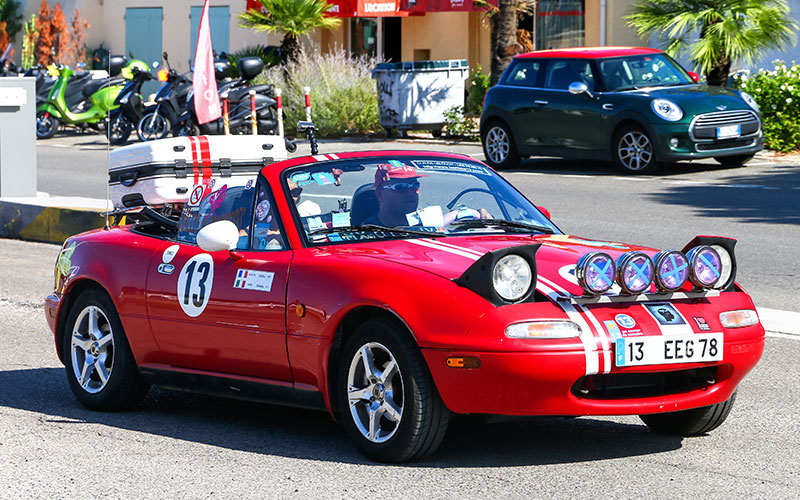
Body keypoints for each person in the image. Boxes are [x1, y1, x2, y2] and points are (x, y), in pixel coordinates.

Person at [363, 163, 491, 227]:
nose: (410, 193)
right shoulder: (366, 234)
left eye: (415, 186)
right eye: (400, 187)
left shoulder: (427, 223)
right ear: (380, 194)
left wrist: (481, 214)